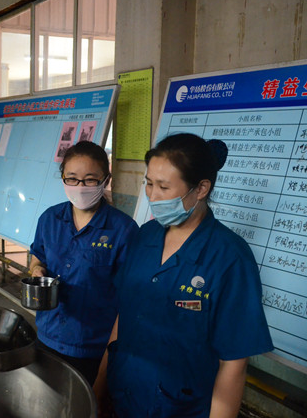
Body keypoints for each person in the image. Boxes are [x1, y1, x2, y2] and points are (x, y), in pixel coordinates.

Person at [103, 133, 273, 418]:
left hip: (179, 408)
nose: (152, 196)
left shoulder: (230, 258)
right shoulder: (145, 237)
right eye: (149, 183)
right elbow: (124, 316)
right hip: (122, 396)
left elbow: (233, 363)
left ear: (201, 188)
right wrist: (98, 387)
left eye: (164, 187)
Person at [28, 141, 138, 388]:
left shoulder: (123, 230)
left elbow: (130, 300)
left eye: (89, 180)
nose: (80, 187)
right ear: (63, 178)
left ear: (105, 180)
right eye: (72, 178)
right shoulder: (50, 218)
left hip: (94, 347)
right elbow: (38, 255)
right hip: (47, 336)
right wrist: (37, 270)